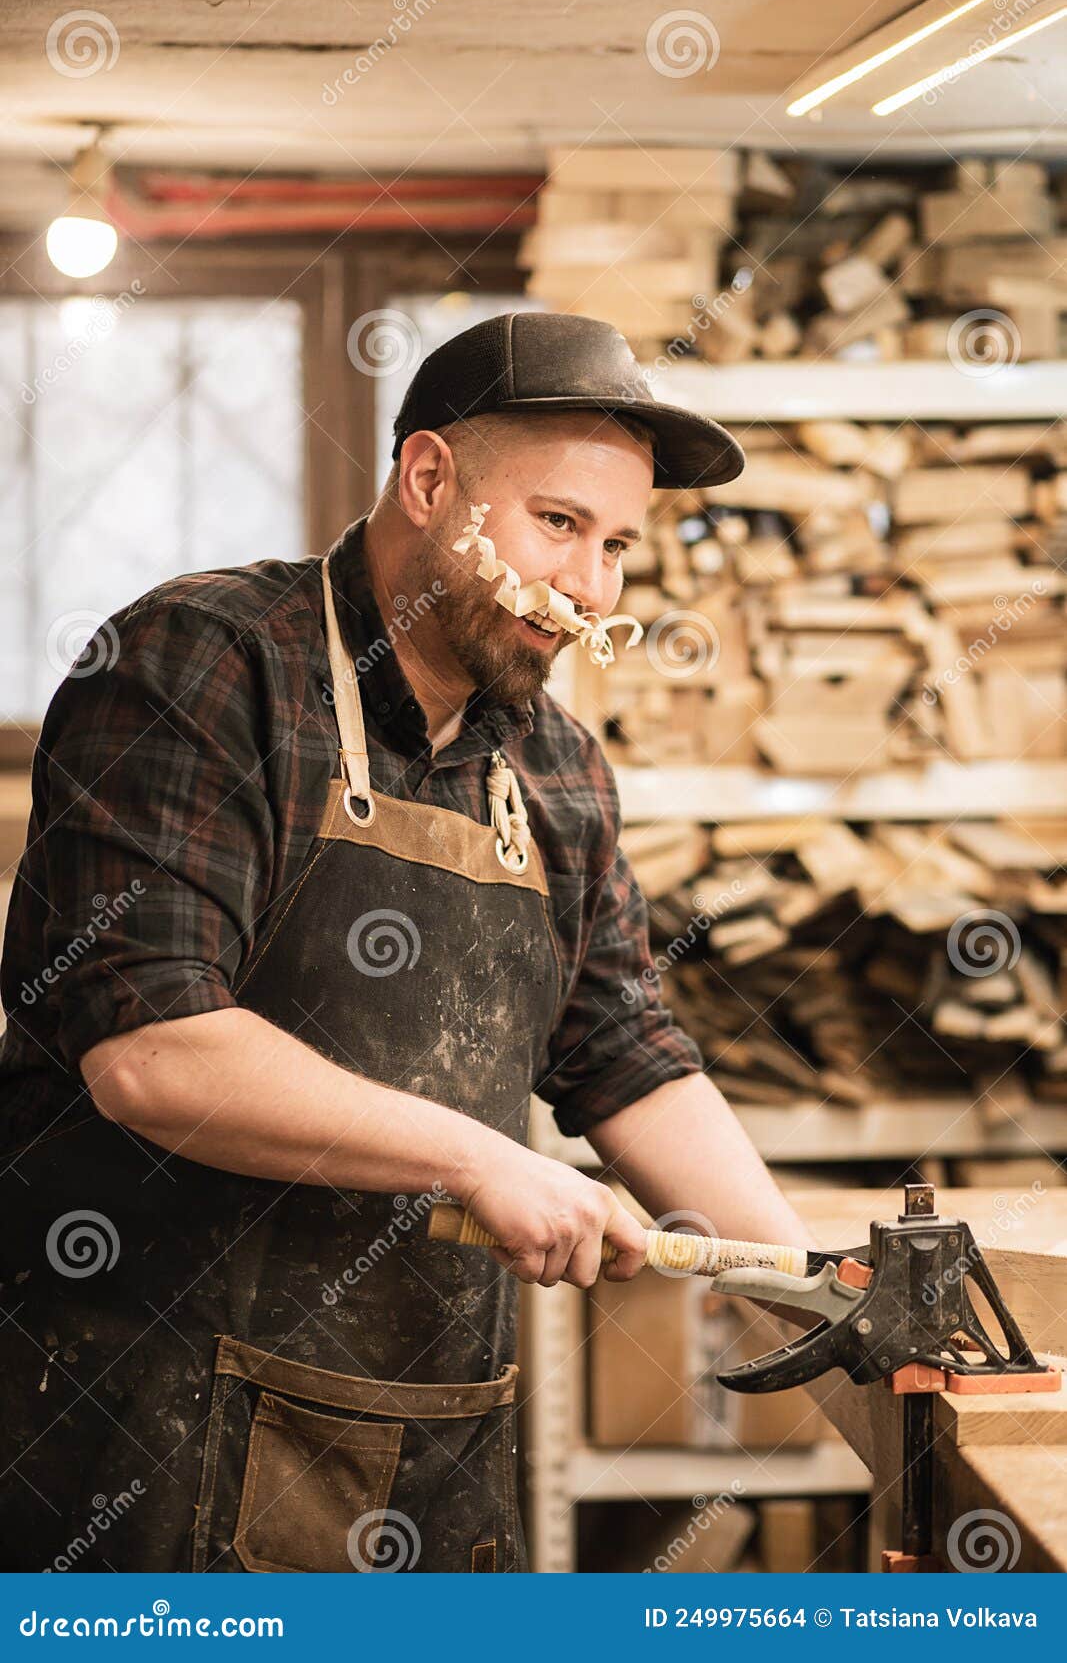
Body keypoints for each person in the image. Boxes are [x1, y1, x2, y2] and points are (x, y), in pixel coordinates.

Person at [0, 310, 814, 1572]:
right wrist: (476, 1160)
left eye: (615, 547)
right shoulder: (201, 666)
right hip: (147, 1441)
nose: (588, 588)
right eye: (555, 524)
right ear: (429, 480)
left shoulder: (551, 765)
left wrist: (804, 1292)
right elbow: (150, 1048)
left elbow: (623, 1052)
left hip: (428, 1441)